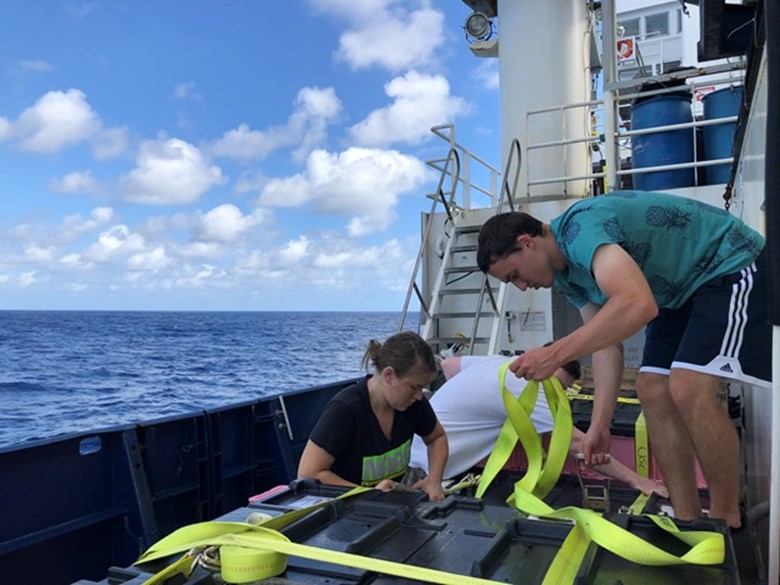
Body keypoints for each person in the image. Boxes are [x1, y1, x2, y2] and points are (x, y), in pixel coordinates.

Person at [476, 190, 770, 529]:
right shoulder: (567, 278)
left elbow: (637, 304)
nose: (522, 287)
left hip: (726, 264)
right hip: (677, 294)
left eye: (514, 275)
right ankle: (688, 519)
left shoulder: (579, 230)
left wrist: (553, 354)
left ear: (526, 243)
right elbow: (606, 344)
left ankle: (725, 522)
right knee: (652, 390)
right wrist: (599, 427)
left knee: (688, 387)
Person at [409, 354, 668, 497]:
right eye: (559, 386)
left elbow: (449, 364)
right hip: (433, 475)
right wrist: (639, 482)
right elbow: (581, 445)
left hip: (420, 453)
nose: (558, 393)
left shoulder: (501, 361)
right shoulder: (532, 389)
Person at [298, 331, 448, 501]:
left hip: (386, 509)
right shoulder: (346, 410)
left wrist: (434, 480)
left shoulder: (413, 403)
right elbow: (308, 473)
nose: (420, 396)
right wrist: (367, 494)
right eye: (414, 387)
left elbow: (437, 437)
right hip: (342, 511)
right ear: (389, 375)